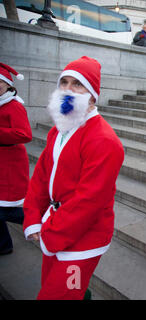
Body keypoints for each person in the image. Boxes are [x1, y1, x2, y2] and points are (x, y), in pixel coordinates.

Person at [22, 56, 125, 299]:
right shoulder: (58, 129)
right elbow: (40, 178)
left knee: (62, 293)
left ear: (91, 94)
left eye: (77, 84)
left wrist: (50, 232)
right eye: (64, 82)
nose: (68, 89)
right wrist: (33, 218)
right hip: (56, 227)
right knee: (62, 290)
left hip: (84, 239)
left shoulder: (105, 140)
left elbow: (89, 201)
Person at [0, 63, 32, 255]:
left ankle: (43, 220)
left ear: (8, 85)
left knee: (6, 209)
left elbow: (24, 134)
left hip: (10, 162)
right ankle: (4, 244)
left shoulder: (14, 105)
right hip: (2, 160)